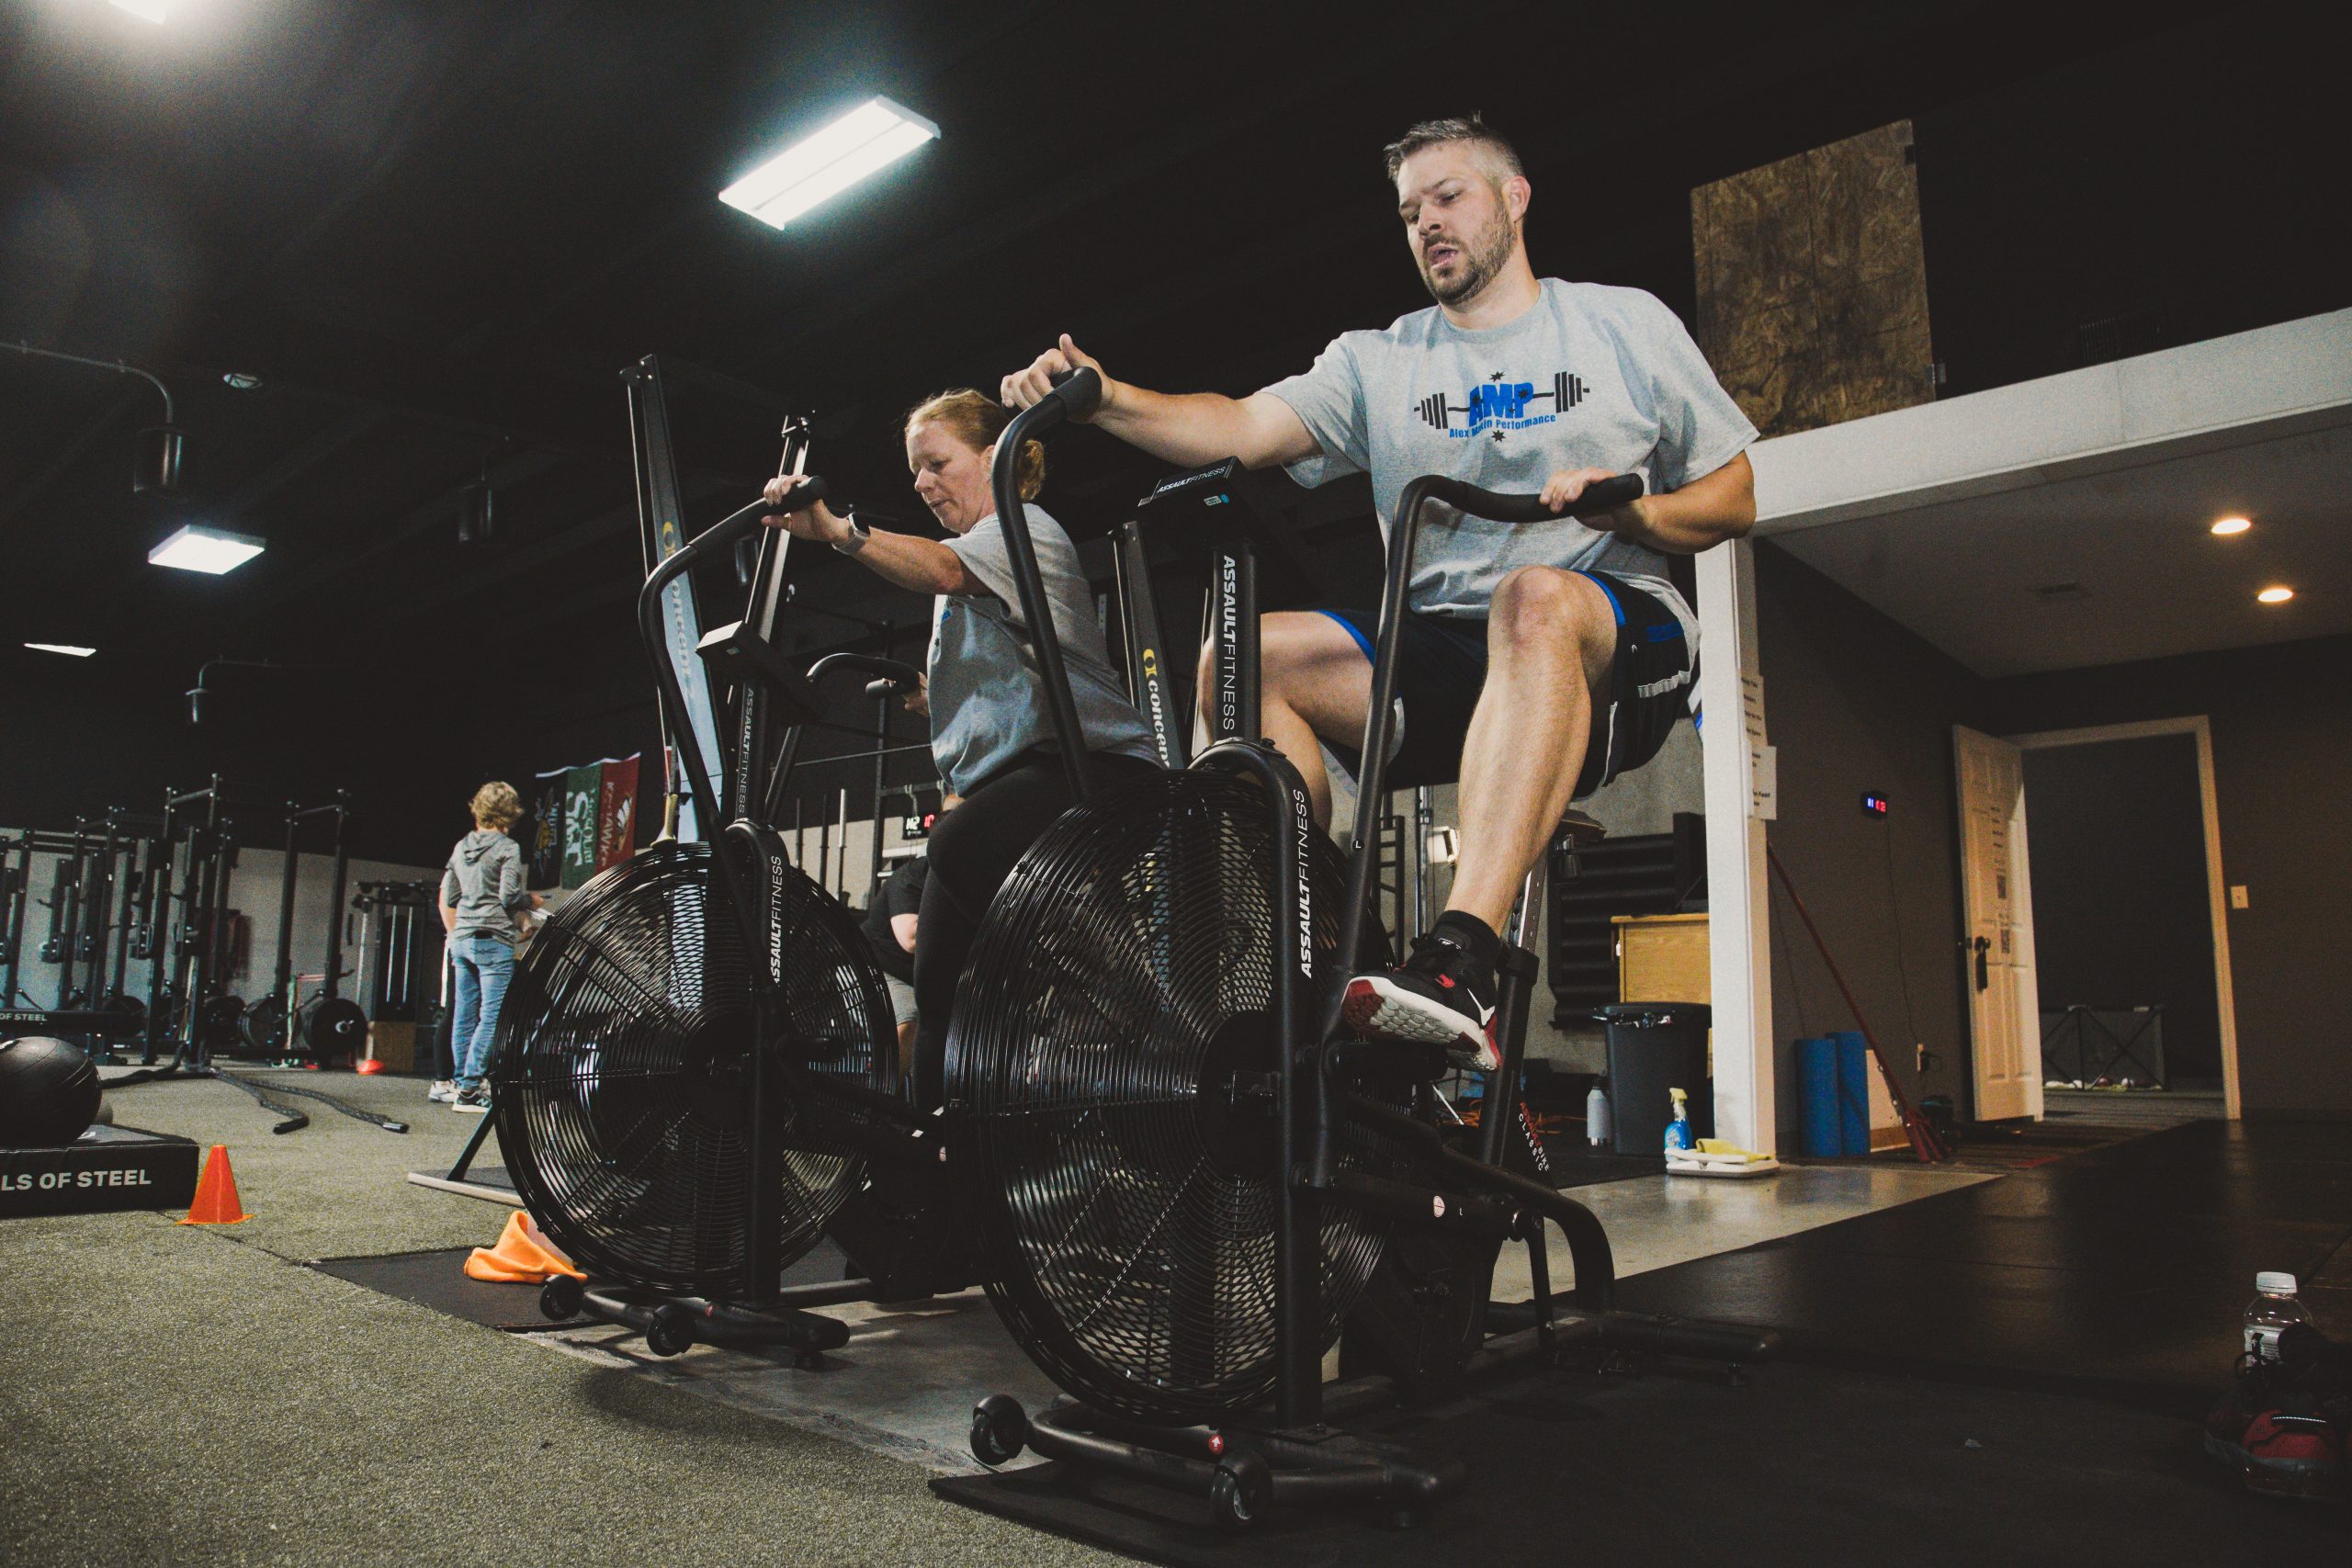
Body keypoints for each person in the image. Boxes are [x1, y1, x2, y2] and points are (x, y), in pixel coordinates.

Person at [1003, 113, 1757, 1071]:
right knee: (1240, 663)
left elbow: (1735, 494)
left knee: (1531, 597)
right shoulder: (1378, 361)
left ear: (1513, 199)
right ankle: (1326, 959)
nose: (1427, 225)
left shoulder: (1622, 322)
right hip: (1446, 655)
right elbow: (1237, 424)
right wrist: (1105, 396)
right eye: (1409, 214)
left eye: (1448, 198)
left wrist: (1637, 519)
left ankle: (1460, 962)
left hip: (1611, 632)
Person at [762, 391, 1160, 1107]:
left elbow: (944, 570)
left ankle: (1121, 1011)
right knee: (939, 983)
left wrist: (838, 533)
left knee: (959, 842)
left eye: (937, 464)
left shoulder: (1022, 526)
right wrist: (929, 694)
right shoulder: (971, 558)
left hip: (1095, 769)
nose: (922, 483)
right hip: (1020, 778)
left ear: (994, 458)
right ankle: (940, 1148)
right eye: (916, 471)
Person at [436, 782, 542, 1111]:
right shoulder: (507, 847)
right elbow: (509, 896)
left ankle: (460, 1084)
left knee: (464, 1015)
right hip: (490, 939)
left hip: (461, 939)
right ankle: (470, 1091)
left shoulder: (460, 846)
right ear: (510, 814)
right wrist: (532, 900)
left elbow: (451, 896)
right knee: (492, 1016)